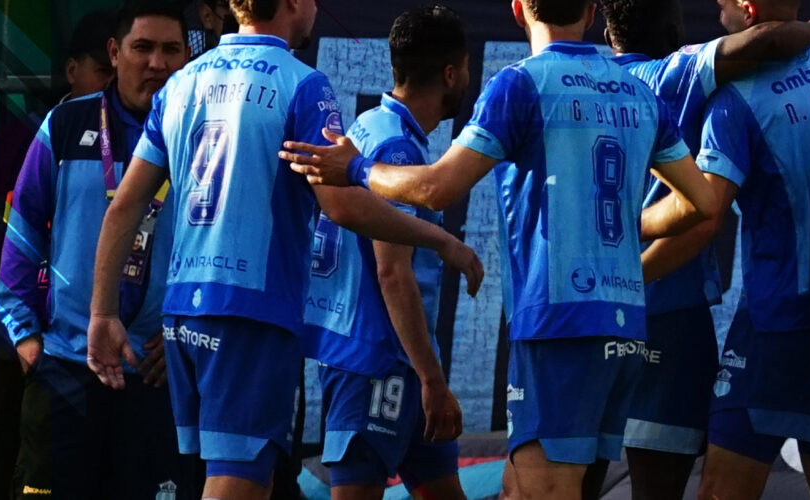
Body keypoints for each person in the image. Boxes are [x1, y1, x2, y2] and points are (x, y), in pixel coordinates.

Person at [280, 1, 719, 497]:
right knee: (528, 485)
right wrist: (614, 228)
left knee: (543, 490)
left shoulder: (520, 83)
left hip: (558, 325)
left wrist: (357, 170)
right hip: (625, 329)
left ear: (518, 10)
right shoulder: (639, 92)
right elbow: (702, 202)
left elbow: (437, 189)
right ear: (590, 12)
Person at [85, 0, 484, 498]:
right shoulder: (302, 83)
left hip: (184, 309)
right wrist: (441, 238)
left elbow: (125, 205)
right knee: (236, 484)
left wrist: (102, 312)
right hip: (251, 312)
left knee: (249, 479)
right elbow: (342, 206)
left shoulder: (182, 83)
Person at [597, 0, 810, 497]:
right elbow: (773, 39)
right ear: (674, 29)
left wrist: (615, 251)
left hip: (597, 310)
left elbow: (704, 214)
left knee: (565, 477)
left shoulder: (586, 86)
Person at [0, 3, 201, 498]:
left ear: (187, 58)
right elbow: (23, 230)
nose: (157, 63)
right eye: (142, 47)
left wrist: (186, 332)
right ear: (115, 52)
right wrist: (27, 339)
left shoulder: (204, 137)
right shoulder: (67, 124)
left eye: (171, 50)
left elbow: (222, 247)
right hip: (66, 367)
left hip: (158, 376)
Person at [679, 0, 810, 498]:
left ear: (747, 8)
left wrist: (630, 258)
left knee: (719, 490)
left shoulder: (734, 99)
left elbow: (704, 216)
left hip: (779, 320)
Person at [303, 5, 470, 500]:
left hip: (400, 358)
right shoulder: (396, 149)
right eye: (466, 68)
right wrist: (432, 379)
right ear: (451, 73)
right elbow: (392, 273)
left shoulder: (369, 126)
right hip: (376, 361)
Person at [60, 9, 116, 103]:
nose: (114, 84)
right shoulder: (49, 114)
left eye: (121, 76)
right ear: (71, 70)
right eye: (104, 71)